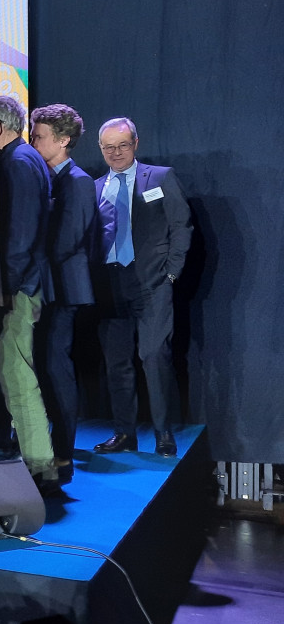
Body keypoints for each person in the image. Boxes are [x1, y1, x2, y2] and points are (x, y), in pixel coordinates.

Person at [0, 95, 59, 489]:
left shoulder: (19, 163)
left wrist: (2, 289)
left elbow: (20, 236)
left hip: (18, 288)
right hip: (19, 284)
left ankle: (41, 466)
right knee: (13, 373)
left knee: (19, 376)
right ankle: (35, 461)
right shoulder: (21, 159)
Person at [92, 117, 192, 457]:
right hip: (111, 286)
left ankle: (164, 433)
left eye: (122, 145)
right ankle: (124, 434)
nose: (116, 153)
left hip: (152, 283)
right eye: (109, 147)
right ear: (101, 149)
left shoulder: (160, 177)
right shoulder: (94, 187)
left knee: (153, 357)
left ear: (135, 143)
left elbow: (181, 225)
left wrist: (172, 273)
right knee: (116, 363)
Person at [29, 104, 97, 473]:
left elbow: (68, 239)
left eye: (39, 136)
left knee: (57, 368)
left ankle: (64, 449)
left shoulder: (79, 182)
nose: (33, 141)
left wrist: (27, 254)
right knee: (42, 367)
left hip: (64, 291)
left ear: (64, 140)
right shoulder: (43, 177)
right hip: (43, 288)